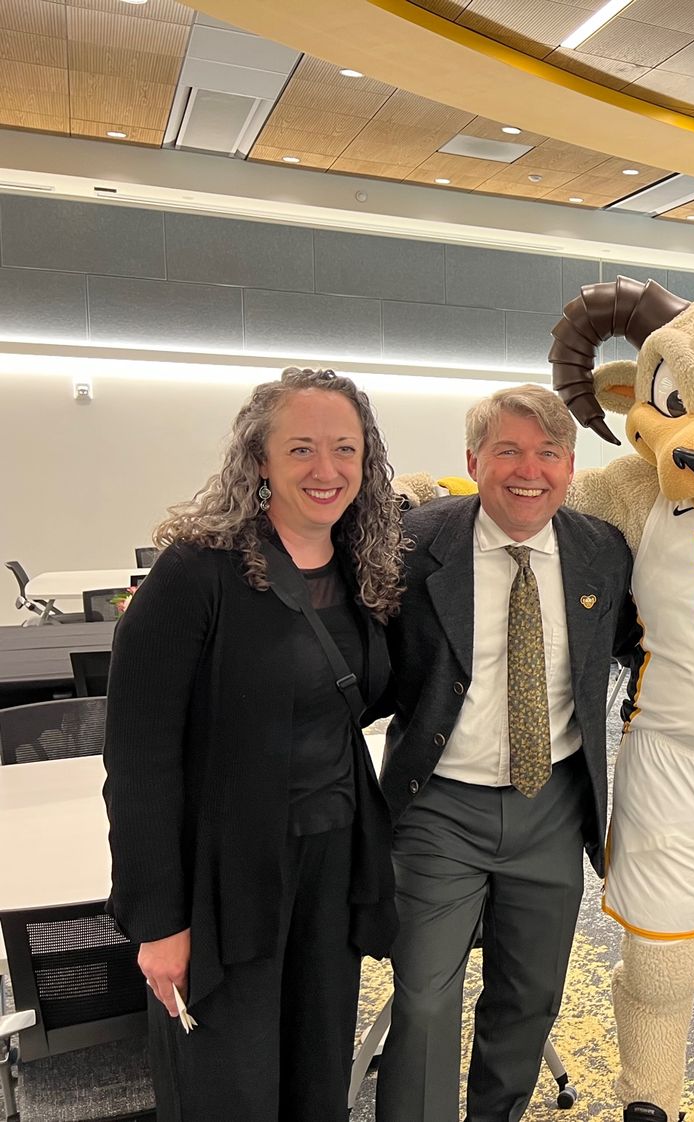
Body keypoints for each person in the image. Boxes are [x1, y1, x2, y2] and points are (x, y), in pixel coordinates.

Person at [103, 367, 403, 1121]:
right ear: (259, 460)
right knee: (228, 1088)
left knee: (315, 1074)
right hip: (227, 877)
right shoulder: (195, 575)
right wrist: (159, 921)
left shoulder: (365, 572)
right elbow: (139, 762)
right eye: (300, 448)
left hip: (330, 867)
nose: (326, 470)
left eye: (344, 449)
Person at [374, 385, 635, 1122]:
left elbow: (637, 644)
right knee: (425, 998)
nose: (530, 470)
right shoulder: (416, 547)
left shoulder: (599, 552)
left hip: (550, 803)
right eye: (509, 451)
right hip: (438, 808)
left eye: (548, 453)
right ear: (473, 460)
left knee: (530, 995)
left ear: (569, 465)